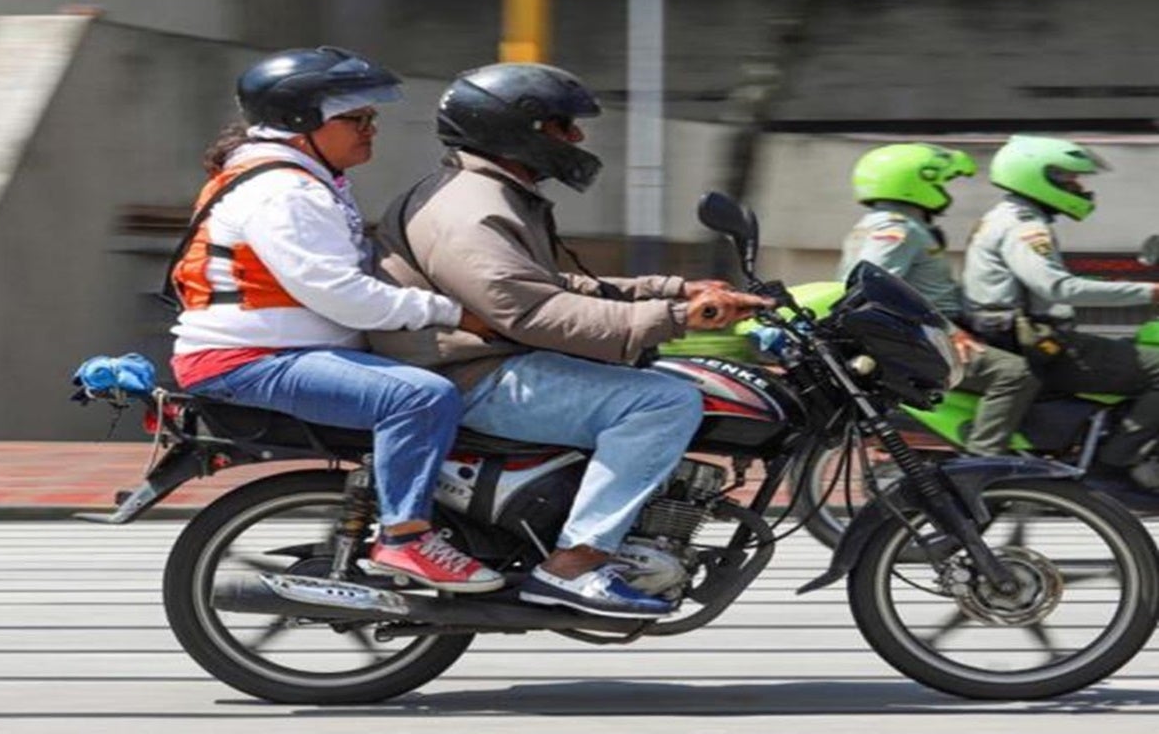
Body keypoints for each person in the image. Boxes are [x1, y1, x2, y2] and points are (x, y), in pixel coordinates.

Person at [368, 62, 773, 619]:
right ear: (517, 128)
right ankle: (574, 566)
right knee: (664, 400)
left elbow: (549, 286)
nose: (576, 139)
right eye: (562, 126)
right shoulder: (472, 209)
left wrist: (675, 289)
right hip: (469, 374)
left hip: (484, 360)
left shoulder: (494, 194)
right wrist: (676, 316)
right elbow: (531, 311)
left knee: (657, 382)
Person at [167, 46, 504, 591]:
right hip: (251, 360)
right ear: (303, 122)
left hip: (283, 351)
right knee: (418, 396)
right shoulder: (285, 191)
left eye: (372, 118)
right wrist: (451, 313)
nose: (372, 129)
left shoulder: (304, 179)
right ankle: (407, 538)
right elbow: (341, 295)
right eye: (357, 119)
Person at [963, 134, 1159, 511]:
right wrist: (1147, 293)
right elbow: (1056, 287)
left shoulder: (1005, 217)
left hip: (1026, 337)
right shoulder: (1024, 227)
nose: (1078, 187)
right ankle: (1112, 466)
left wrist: (1114, 286)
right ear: (1038, 177)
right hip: (1040, 345)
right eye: (1068, 179)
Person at [838, 143, 1041, 458]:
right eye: (939, 182)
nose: (944, 190)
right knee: (1015, 373)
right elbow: (874, 287)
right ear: (914, 183)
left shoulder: (884, 224)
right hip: (925, 335)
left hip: (927, 330)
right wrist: (948, 330)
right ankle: (983, 462)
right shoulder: (897, 230)